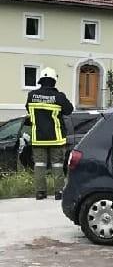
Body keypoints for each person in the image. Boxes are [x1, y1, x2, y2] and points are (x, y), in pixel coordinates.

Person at [25, 67, 74, 201]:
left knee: (39, 165)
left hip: (38, 138)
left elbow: (28, 111)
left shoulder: (31, 95)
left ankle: (40, 193)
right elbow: (69, 110)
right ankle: (59, 192)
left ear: (41, 80)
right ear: (53, 81)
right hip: (56, 139)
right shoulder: (59, 96)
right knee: (57, 165)